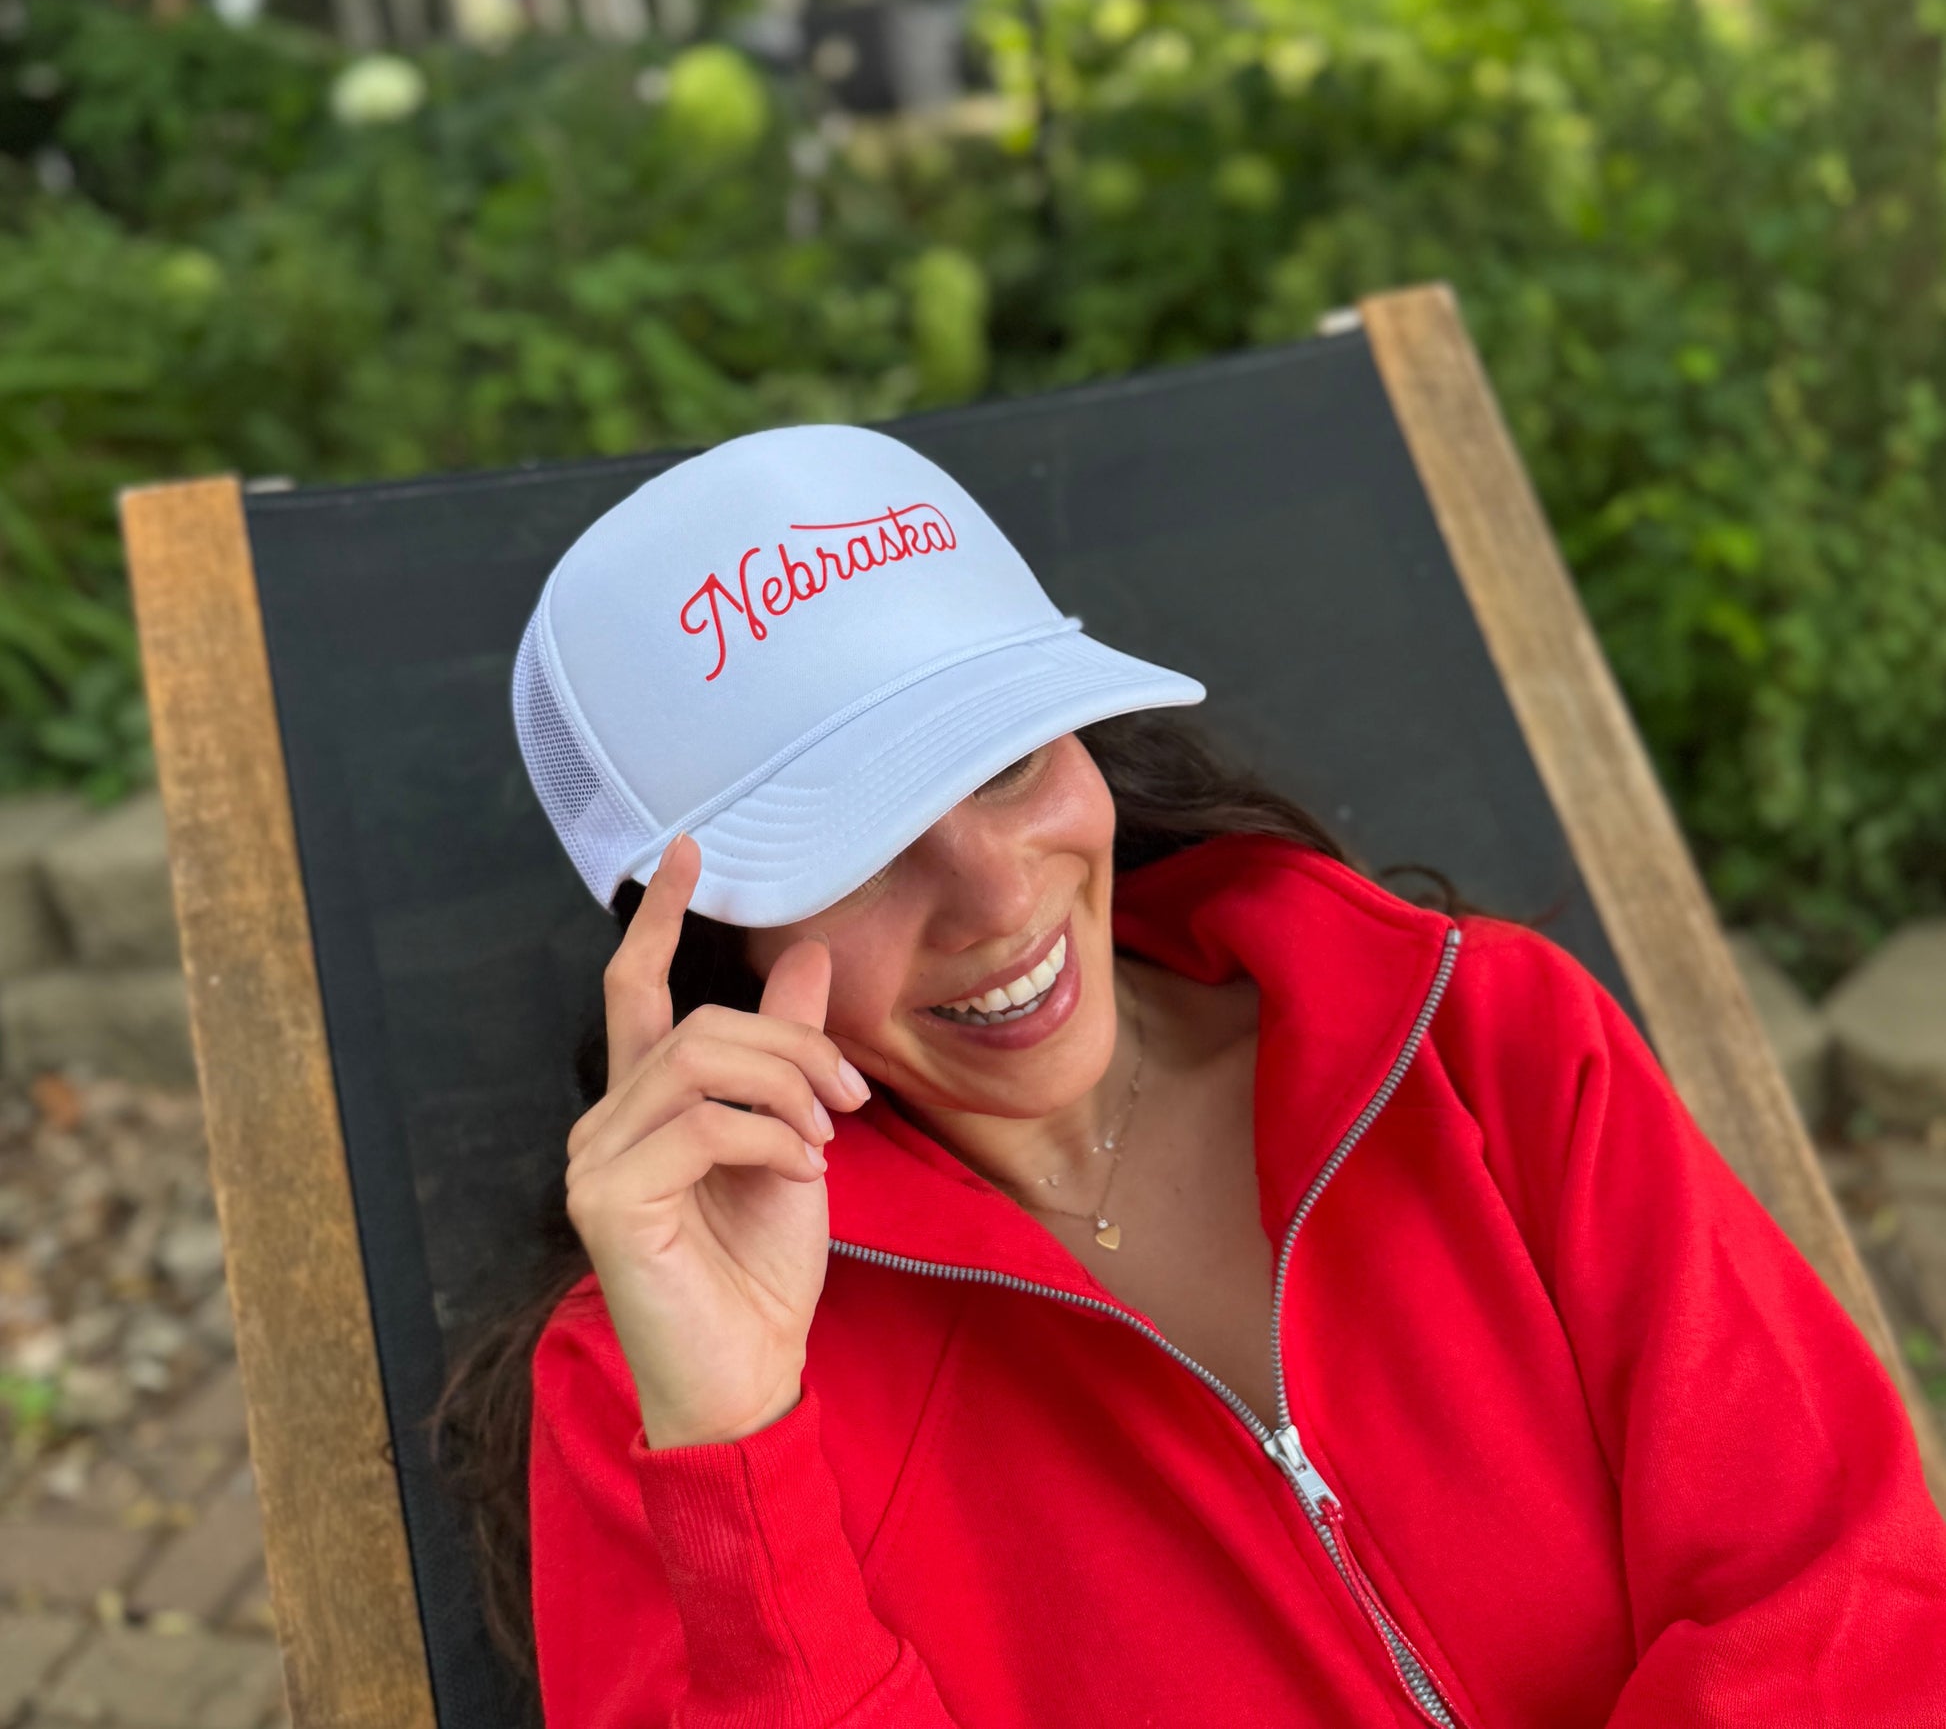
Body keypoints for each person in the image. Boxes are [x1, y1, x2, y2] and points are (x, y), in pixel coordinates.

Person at [435, 423, 1946, 1728]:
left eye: (1007, 761)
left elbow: (1836, 1588)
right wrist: (740, 1456)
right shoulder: (654, 1395)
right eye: (860, 849)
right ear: (709, 939)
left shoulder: (1483, 1043)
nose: (997, 897)